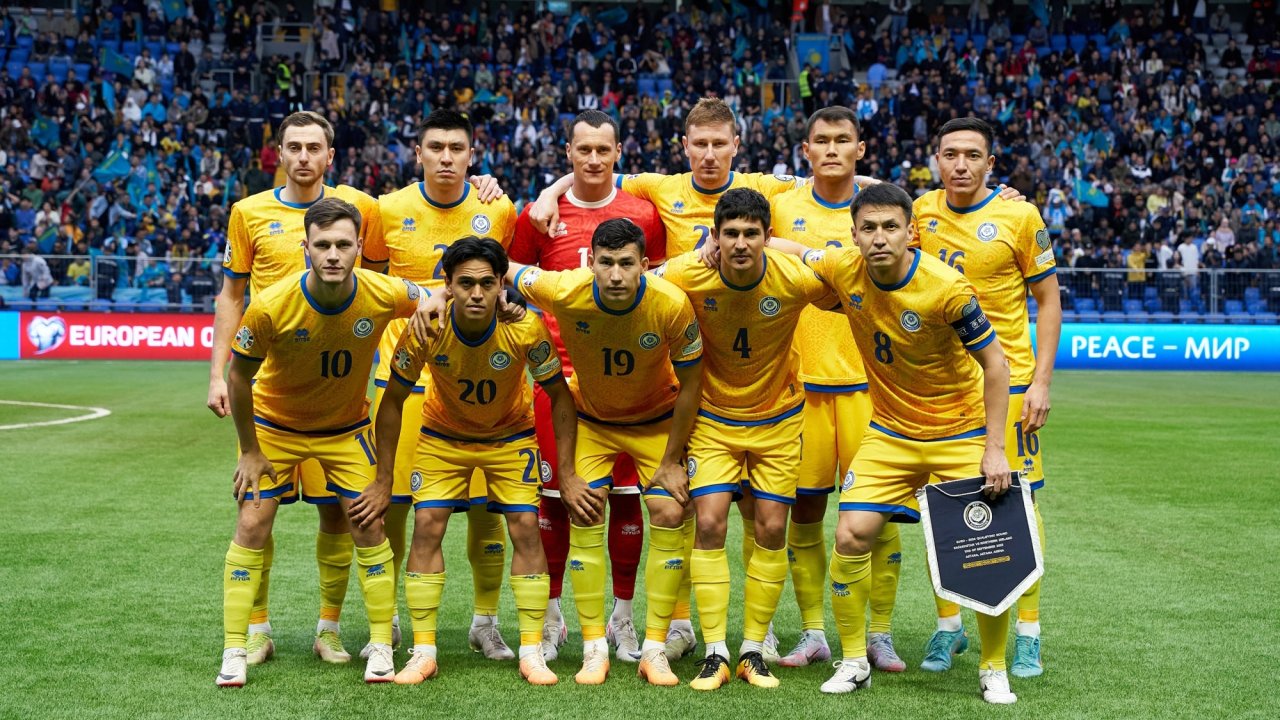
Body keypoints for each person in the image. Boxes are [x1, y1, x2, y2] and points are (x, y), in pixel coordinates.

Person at [773, 182, 1017, 703]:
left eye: (890, 227)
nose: (879, 238)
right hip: (890, 433)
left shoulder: (947, 288)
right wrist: (724, 244)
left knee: (984, 552)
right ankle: (854, 661)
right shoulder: (843, 268)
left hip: (958, 431)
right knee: (850, 535)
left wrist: (994, 448)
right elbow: (792, 248)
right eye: (868, 228)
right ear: (854, 234)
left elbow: (996, 365)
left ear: (910, 232)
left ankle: (994, 667)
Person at [216, 197, 427, 687]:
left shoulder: (383, 291)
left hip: (344, 431)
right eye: (323, 245)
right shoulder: (270, 306)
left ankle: (376, 644)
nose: (333, 255)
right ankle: (235, 647)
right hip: (275, 427)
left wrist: (454, 304)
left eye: (344, 245)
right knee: (252, 522)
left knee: (368, 525)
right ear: (305, 248)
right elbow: (238, 378)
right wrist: (250, 450)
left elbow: (434, 296)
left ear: (359, 248)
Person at [207, 111, 380, 667]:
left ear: (331, 155)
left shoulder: (361, 208)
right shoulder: (249, 212)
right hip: (270, 397)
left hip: (336, 400)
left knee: (338, 515)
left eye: (313, 147)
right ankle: (256, 630)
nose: (304, 156)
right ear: (278, 153)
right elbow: (232, 296)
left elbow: (380, 284)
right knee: (258, 514)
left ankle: (329, 628)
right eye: (294, 147)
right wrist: (217, 373)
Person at [655, 188, 839, 690]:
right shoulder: (688, 273)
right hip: (714, 419)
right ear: (714, 236)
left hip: (778, 420)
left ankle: (753, 650)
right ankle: (715, 651)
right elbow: (633, 286)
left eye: (751, 234)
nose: (740, 243)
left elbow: (854, 289)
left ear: (766, 237)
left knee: (772, 528)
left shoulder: (793, 277)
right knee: (710, 522)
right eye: (730, 233)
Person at [507, 218, 704, 686]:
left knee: (670, 511)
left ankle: (654, 648)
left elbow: (693, 383)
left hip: (655, 421)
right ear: (590, 262)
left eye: (627, 264)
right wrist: (443, 294)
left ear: (645, 265)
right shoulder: (563, 290)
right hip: (593, 421)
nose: (616, 275)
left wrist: (671, 461)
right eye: (607, 263)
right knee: (585, 510)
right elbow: (505, 269)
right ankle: (594, 648)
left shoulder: (671, 304)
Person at [374, 238, 572, 687]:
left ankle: (531, 651)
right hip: (443, 437)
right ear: (447, 285)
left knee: (525, 526)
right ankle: (424, 652)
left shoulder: (525, 328)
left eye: (487, 283)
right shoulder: (427, 327)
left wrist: (567, 471)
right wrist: (384, 478)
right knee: (428, 525)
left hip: (510, 437)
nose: (477, 293)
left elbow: (559, 395)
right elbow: (393, 400)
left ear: (502, 283)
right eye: (465, 284)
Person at [509, 109, 667, 664]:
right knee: (555, 499)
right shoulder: (538, 216)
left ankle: (623, 620)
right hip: (558, 381)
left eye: (604, 149)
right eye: (584, 150)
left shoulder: (643, 213)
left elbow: (660, 286)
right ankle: (553, 619)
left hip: (629, 381)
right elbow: (511, 276)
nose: (594, 159)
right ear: (568, 153)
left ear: (619, 152)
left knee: (625, 500)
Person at [362, 109, 520, 662]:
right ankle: (391, 620)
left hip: (478, 377)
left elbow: (506, 283)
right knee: (393, 503)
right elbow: (374, 285)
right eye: (436, 147)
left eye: (457, 148)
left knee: (486, 508)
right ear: (419, 153)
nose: (446, 157)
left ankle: (485, 622)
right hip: (404, 379)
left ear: (472, 155)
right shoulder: (387, 210)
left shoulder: (497, 208)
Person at [913, 116, 1060, 679]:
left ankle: (1028, 633)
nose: (961, 165)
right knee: (941, 509)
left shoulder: (1020, 216)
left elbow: (1048, 300)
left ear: (990, 163)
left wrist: (1041, 381)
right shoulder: (920, 212)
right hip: (944, 386)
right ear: (936, 160)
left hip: (1011, 382)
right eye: (950, 154)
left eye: (973, 155)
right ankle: (949, 625)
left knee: (1019, 506)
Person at [767, 107, 903, 672]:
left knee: (879, 516)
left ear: (859, 148)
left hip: (873, 389)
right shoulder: (781, 203)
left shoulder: (881, 209)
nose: (830, 149)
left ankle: (880, 633)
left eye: (842, 140)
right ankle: (814, 632)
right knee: (805, 513)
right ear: (805, 151)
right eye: (820, 140)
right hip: (801, 388)